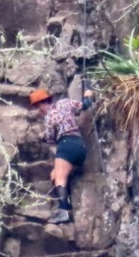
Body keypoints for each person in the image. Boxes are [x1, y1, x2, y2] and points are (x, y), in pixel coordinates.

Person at [30, 88, 94, 224]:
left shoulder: (49, 118)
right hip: (80, 146)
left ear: (42, 104)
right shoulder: (65, 103)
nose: (38, 111)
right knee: (54, 175)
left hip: (66, 146)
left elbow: (50, 140)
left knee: (59, 177)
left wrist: (42, 137)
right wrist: (88, 96)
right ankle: (68, 203)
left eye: (38, 107)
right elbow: (84, 105)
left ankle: (63, 212)